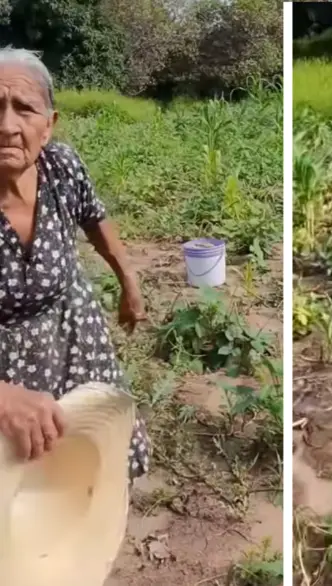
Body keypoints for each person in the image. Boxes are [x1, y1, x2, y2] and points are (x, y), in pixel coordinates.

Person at [0, 47, 149, 482]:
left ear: (48, 126)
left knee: (95, 459)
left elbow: (94, 219)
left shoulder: (61, 167)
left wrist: (129, 279)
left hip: (74, 335)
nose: (7, 126)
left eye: (24, 109)